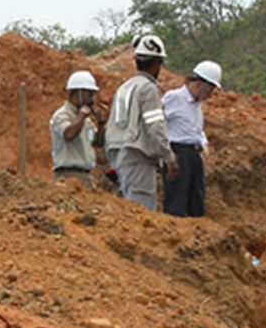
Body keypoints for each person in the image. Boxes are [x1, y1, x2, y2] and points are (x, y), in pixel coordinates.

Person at [104, 34, 177, 210]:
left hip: (121, 157)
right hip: (138, 157)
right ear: (158, 63)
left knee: (130, 210)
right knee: (142, 211)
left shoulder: (124, 87)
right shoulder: (148, 88)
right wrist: (169, 158)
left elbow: (112, 127)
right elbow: (155, 127)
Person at [162, 60, 222, 217]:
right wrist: (166, 154)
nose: (210, 95)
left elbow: (195, 128)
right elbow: (158, 125)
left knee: (197, 198)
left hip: (194, 154)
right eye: (209, 90)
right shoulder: (174, 98)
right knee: (177, 199)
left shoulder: (197, 104)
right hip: (178, 153)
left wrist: (203, 142)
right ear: (199, 83)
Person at [49, 70, 104, 185]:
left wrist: (101, 123)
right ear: (78, 93)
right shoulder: (62, 115)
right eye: (89, 95)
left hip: (85, 176)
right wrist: (82, 116)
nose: (92, 99)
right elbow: (69, 134)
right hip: (68, 176)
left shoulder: (85, 119)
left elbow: (98, 143)